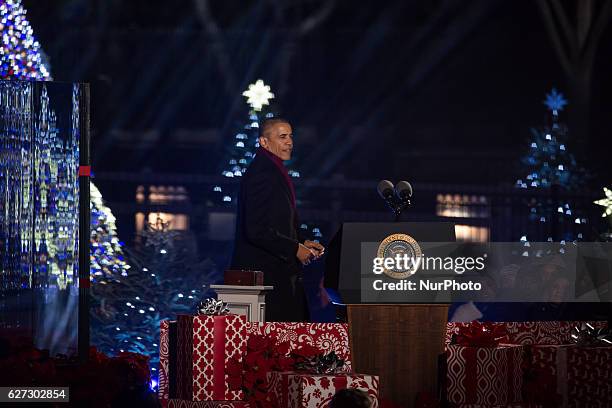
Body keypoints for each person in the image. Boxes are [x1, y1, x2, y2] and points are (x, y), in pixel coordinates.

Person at [231, 118, 324, 322]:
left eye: (290, 136)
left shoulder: (274, 170)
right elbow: (256, 228)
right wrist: (294, 249)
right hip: (265, 278)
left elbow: (278, 220)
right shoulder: (262, 173)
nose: (289, 142)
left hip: (277, 273)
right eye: (282, 137)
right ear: (264, 142)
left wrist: (300, 241)